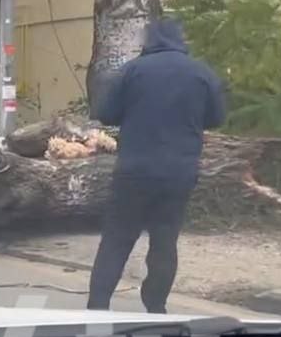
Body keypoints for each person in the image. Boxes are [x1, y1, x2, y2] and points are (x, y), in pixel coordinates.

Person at [87, 19, 226, 314]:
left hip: (134, 170)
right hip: (179, 172)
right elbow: (216, 118)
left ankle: (98, 305)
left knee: (117, 238)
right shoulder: (202, 73)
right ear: (180, 38)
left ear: (149, 40)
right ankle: (156, 305)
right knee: (165, 240)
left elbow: (106, 113)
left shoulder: (133, 70)